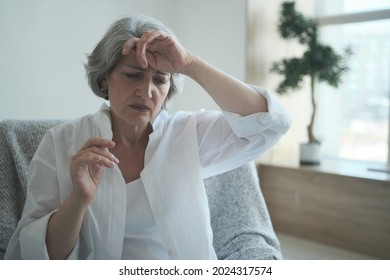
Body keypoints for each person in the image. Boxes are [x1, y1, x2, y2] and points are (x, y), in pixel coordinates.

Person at [5, 16, 291, 260]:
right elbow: (31, 256)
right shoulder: (60, 143)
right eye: (133, 75)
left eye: (160, 80)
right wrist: (78, 200)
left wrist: (189, 63)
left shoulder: (188, 133)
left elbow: (269, 124)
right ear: (104, 79)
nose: (147, 92)